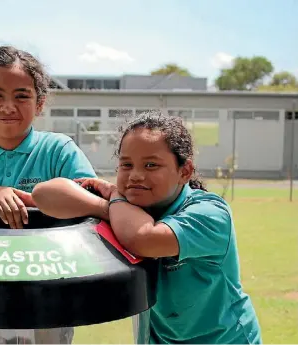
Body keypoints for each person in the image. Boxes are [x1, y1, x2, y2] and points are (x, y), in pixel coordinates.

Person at [31, 111, 262, 344]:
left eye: (151, 165)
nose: (136, 176)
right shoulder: (125, 209)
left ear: (185, 171)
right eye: (126, 164)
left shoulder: (210, 214)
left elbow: (144, 239)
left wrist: (113, 199)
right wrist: (106, 206)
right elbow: (44, 194)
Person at [0, 46, 97, 344]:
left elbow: (92, 208)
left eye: (22, 96)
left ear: (40, 103)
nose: (8, 106)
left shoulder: (59, 151)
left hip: (46, 299)